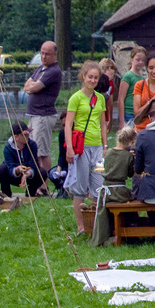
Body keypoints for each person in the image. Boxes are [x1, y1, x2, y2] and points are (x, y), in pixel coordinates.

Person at [64, 60, 108, 234]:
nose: (92, 80)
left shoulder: (101, 98)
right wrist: (69, 148)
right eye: (90, 77)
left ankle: (96, 224)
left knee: (99, 187)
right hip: (81, 147)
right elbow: (68, 124)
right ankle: (81, 226)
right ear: (83, 76)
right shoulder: (75, 98)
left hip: (97, 146)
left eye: (96, 78)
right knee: (80, 188)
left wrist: (105, 145)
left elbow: (103, 123)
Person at [90, 125, 137, 246]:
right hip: (119, 191)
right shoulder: (128, 156)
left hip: (106, 190)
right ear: (131, 142)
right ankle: (132, 230)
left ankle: (103, 236)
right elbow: (131, 174)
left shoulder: (109, 152)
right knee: (134, 199)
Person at [24, 40, 62, 174]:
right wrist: (31, 87)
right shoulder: (41, 68)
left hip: (43, 115)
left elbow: (34, 87)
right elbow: (27, 85)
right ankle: (37, 181)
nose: (44, 57)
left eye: (47, 54)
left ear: (54, 55)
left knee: (41, 152)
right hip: (35, 115)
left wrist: (32, 87)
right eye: (42, 53)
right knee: (34, 149)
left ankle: (43, 183)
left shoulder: (54, 71)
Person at [0, 120, 47, 198]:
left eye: (28, 134)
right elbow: (10, 165)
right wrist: (17, 170)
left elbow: (34, 163)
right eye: (24, 135)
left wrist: (27, 174)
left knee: (42, 172)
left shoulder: (32, 145)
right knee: (1, 170)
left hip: (28, 174)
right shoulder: (8, 148)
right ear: (16, 137)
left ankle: (31, 193)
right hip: (14, 175)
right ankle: (6, 194)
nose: (28, 136)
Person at [118, 47, 146, 129]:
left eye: (142, 60)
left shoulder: (142, 78)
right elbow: (121, 99)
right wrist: (122, 120)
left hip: (138, 114)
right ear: (132, 60)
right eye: (137, 60)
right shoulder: (128, 76)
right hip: (128, 113)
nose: (140, 62)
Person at [98, 58, 120, 128]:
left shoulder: (111, 83)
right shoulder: (97, 82)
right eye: (107, 68)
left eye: (112, 68)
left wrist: (110, 119)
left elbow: (110, 102)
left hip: (104, 111)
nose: (110, 71)